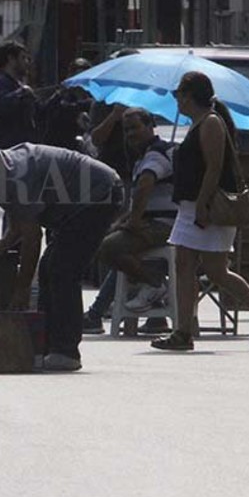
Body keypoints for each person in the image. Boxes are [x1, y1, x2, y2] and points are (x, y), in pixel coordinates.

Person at [0, 134, 121, 371]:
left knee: (62, 270)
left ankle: (66, 351)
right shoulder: (2, 173)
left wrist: (22, 288)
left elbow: (32, 238)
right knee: (48, 268)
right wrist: (4, 243)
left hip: (99, 195)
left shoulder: (15, 177)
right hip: (75, 203)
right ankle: (47, 345)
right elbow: (20, 222)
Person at [149, 72, 249, 351]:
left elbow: (214, 167)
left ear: (190, 96)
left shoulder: (211, 122)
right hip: (191, 206)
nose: (177, 100)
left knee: (216, 270)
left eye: (179, 94)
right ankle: (183, 331)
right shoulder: (197, 123)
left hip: (208, 207)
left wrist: (202, 203)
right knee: (185, 265)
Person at [83, 108, 176, 334]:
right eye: (126, 130)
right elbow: (138, 200)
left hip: (165, 225)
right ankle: (103, 312)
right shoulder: (143, 157)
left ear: (150, 126)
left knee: (108, 248)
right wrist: (122, 222)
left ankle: (154, 284)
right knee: (113, 243)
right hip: (153, 221)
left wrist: (133, 222)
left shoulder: (156, 154)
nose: (130, 134)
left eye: (135, 128)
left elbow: (145, 185)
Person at [88, 49, 142, 183]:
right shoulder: (104, 99)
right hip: (111, 169)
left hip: (138, 169)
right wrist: (114, 116)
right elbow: (96, 139)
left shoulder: (141, 98)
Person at [0, 40, 40, 148]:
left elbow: (39, 111)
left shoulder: (18, 85)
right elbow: (2, 106)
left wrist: (58, 95)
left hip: (23, 147)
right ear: (11, 59)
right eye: (23, 58)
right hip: (8, 148)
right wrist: (22, 93)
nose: (27, 62)